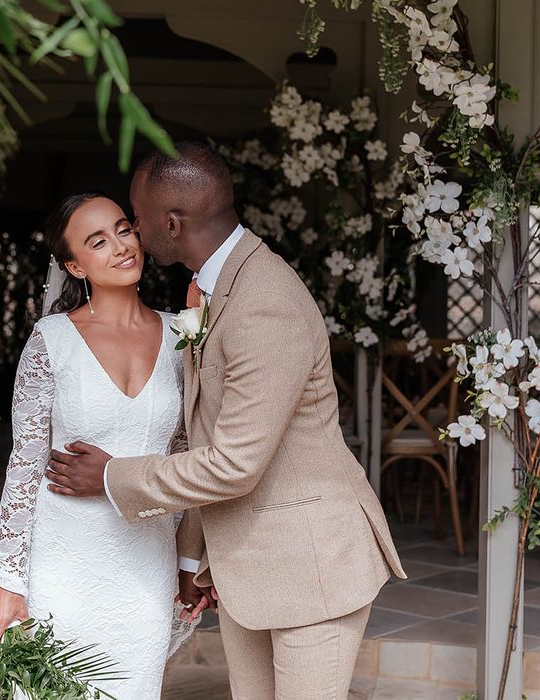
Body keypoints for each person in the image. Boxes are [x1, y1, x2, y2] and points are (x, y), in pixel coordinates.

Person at [45, 141, 408, 700]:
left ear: (171, 222)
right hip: (245, 566)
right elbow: (202, 432)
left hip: (312, 566)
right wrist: (193, 554)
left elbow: (234, 463)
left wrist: (114, 477)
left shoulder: (265, 301)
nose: (134, 234)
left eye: (135, 220)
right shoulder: (212, 289)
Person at [0, 193, 194, 700]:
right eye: (98, 241)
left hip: (147, 559)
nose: (121, 247)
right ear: (74, 265)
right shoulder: (51, 340)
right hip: (63, 558)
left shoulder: (182, 336)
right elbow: (25, 464)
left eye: (124, 230)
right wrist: (9, 578)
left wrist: (191, 561)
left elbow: (190, 455)